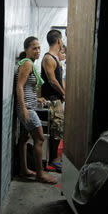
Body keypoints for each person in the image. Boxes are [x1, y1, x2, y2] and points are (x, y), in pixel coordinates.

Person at [15, 36, 58, 184]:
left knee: (24, 138)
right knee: (39, 138)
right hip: (26, 108)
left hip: (28, 105)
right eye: (34, 48)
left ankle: (24, 169)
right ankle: (40, 174)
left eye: (39, 48)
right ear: (26, 49)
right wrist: (24, 109)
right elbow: (19, 86)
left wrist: (37, 99)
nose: (38, 50)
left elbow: (27, 87)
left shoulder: (29, 64)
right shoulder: (27, 63)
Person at [41, 30, 65, 173]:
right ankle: (53, 160)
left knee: (58, 129)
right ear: (59, 41)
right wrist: (63, 93)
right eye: (62, 40)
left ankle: (54, 158)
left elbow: (59, 78)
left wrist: (64, 93)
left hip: (57, 100)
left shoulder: (56, 58)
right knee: (55, 129)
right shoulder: (48, 58)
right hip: (51, 100)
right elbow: (52, 80)